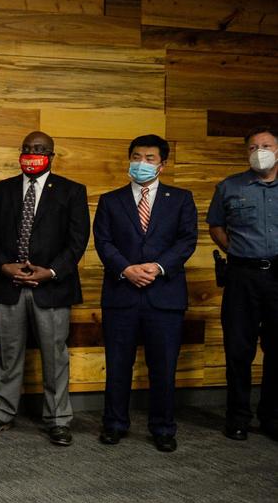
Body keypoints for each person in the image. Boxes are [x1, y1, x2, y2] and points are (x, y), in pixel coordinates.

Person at [0, 131, 89, 446]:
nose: (31, 153)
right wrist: (3, 266)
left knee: (55, 357)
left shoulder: (72, 191)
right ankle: (1, 414)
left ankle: (58, 420)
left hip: (52, 287)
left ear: (52, 155)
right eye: (26, 149)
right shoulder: (0, 191)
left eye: (39, 149)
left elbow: (77, 241)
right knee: (7, 354)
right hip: (8, 284)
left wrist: (50, 271)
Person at [93, 135, 197, 452]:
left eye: (149, 158)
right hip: (121, 293)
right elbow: (103, 241)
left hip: (164, 295)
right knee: (118, 364)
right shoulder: (111, 200)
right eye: (136, 156)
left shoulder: (180, 199)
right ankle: (114, 424)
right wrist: (126, 269)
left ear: (162, 164)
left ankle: (163, 428)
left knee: (163, 366)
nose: (141, 163)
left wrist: (157, 266)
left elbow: (186, 241)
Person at [208, 125, 278, 442]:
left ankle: (272, 417)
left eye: (266, 145)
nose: (259, 151)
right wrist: (238, 252)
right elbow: (217, 227)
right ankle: (237, 417)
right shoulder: (230, 187)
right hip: (242, 276)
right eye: (252, 147)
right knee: (238, 349)